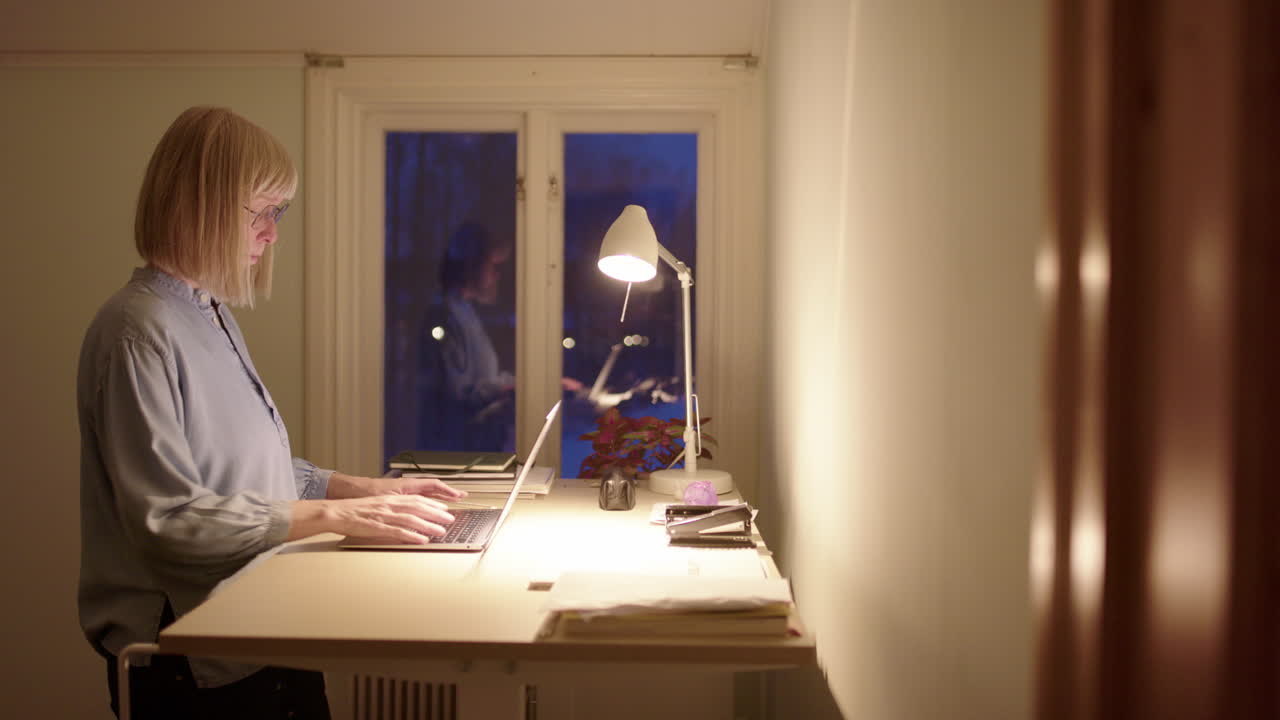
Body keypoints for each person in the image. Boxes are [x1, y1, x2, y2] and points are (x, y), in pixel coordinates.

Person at [76, 106, 467, 719]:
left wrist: (363, 489)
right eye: (262, 211)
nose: (271, 234)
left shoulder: (208, 313)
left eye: (278, 213)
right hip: (192, 657)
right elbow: (170, 520)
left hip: (259, 622)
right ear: (200, 205)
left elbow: (243, 469)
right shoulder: (137, 330)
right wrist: (336, 514)